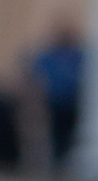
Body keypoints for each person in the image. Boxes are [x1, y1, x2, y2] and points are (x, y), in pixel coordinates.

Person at [25, 17, 88, 171]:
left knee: (70, 134)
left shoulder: (77, 55)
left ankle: (63, 162)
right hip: (52, 101)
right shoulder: (48, 55)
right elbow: (34, 73)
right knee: (55, 133)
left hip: (72, 102)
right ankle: (55, 162)